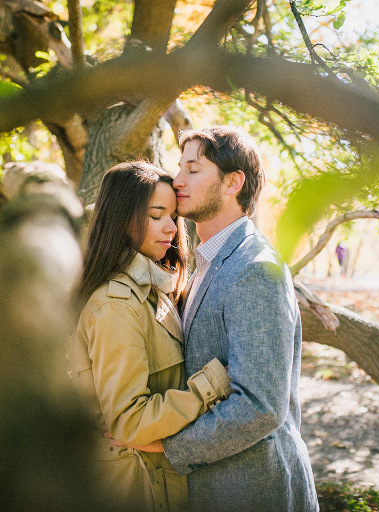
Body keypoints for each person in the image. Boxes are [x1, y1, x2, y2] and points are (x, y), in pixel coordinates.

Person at [126, 126, 319, 511]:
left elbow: (260, 405)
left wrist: (167, 446)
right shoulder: (202, 262)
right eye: (179, 167)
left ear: (233, 182)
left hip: (255, 490)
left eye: (193, 170)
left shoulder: (255, 269)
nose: (177, 180)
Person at [69, 161, 233, 512]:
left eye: (173, 215)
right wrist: (211, 387)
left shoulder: (155, 290)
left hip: (161, 479)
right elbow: (129, 421)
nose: (172, 228)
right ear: (122, 218)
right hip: (135, 486)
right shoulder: (116, 304)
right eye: (157, 215)